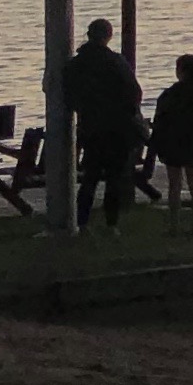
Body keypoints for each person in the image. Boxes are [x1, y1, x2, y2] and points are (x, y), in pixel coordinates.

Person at [66, 19, 137, 231]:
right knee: (114, 178)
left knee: (91, 176)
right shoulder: (116, 62)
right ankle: (111, 223)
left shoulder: (76, 65)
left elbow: (69, 96)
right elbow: (133, 93)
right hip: (116, 128)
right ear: (109, 36)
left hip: (91, 127)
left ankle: (82, 221)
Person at [145, 53, 193, 232]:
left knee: (175, 185)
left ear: (180, 71)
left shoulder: (170, 94)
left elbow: (161, 120)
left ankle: (174, 225)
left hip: (174, 143)